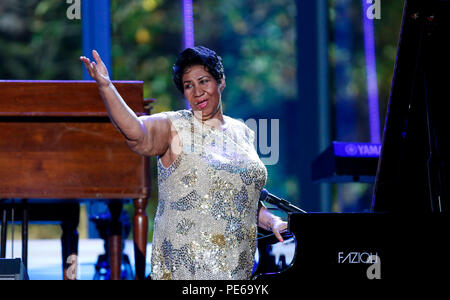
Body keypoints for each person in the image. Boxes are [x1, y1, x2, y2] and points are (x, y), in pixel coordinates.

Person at [80, 46, 288, 280]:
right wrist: (106, 87)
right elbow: (135, 131)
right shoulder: (174, 126)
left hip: (237, 273)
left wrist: (273, 222)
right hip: (186, 272)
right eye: (189, 85)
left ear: (221, 81)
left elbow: (244, 200)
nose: (198, 92)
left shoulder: (242, 132)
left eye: (204, 81)